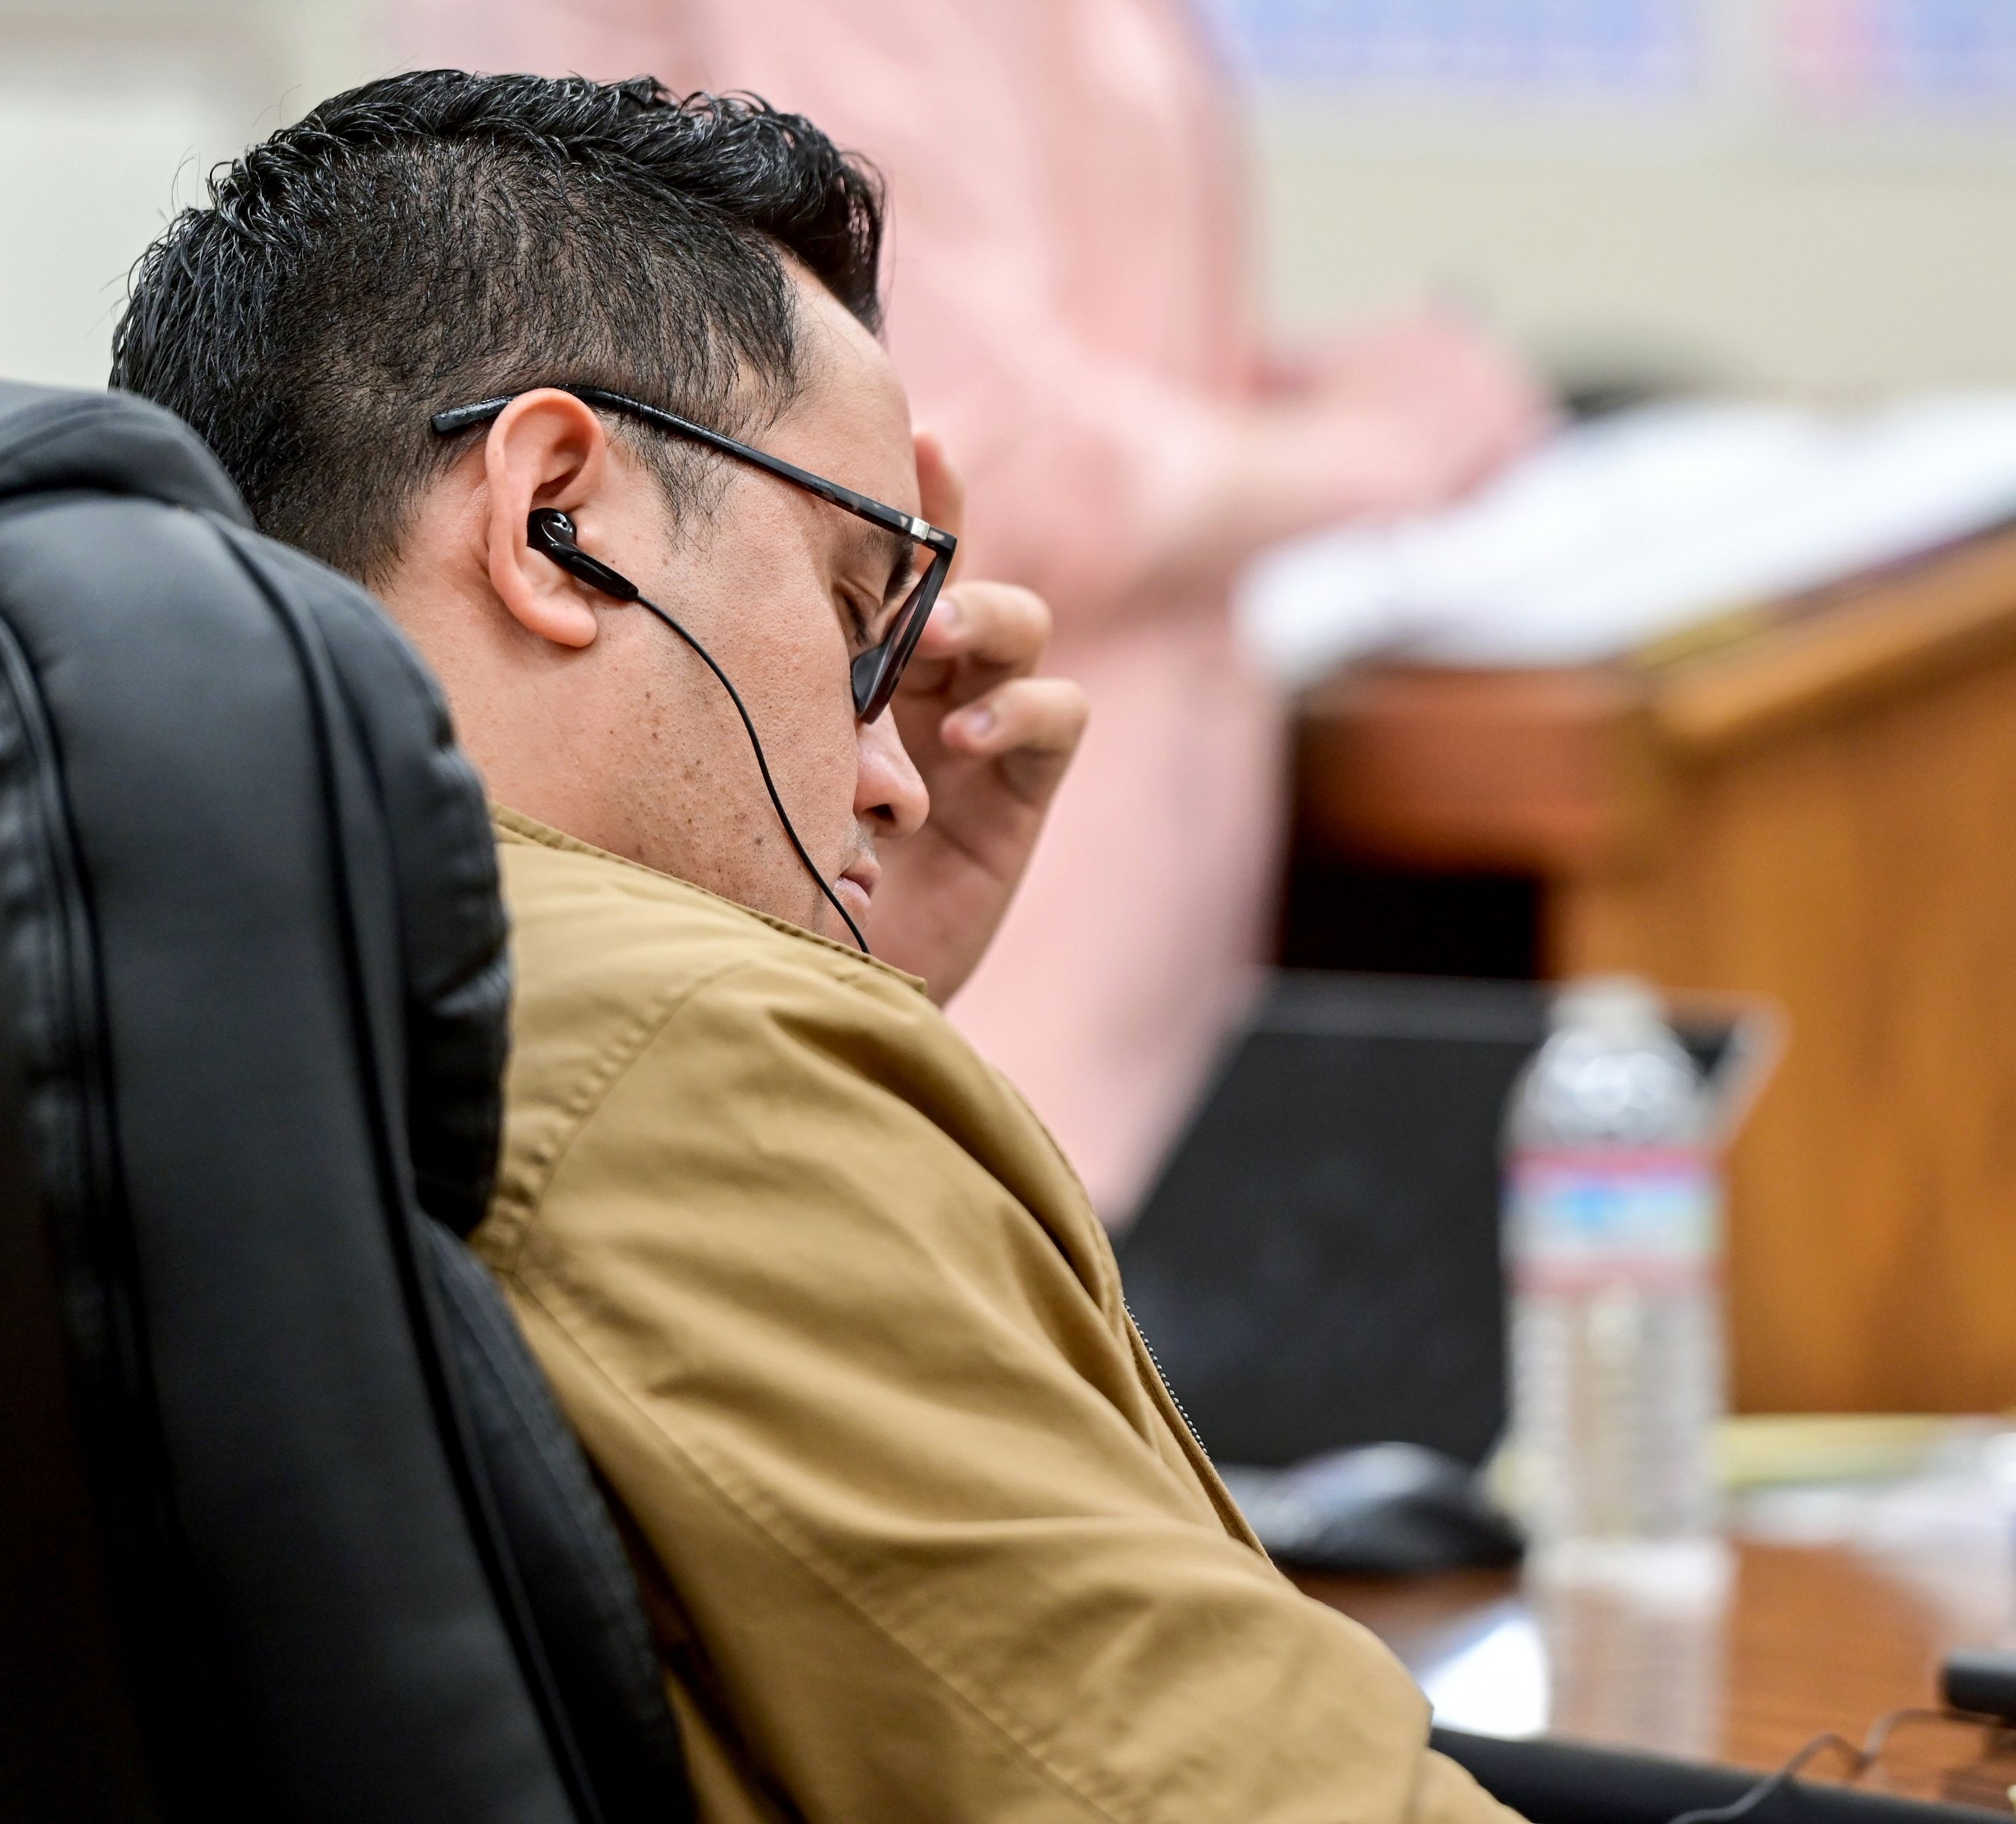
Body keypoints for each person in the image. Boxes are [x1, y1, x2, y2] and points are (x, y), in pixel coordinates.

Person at [112, 72, 1521, 1822]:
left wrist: (848, 981)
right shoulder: (680, 1060)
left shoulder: (151, 941)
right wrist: (794, 1030)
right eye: (858, 614)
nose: (898, 775)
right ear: (564, 516)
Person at [398, 0, 1556, 1217]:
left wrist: (1286, 387)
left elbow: (1052, 321)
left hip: (1064, 905)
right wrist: (1381, 453)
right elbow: (946, 435)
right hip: (948, 886)